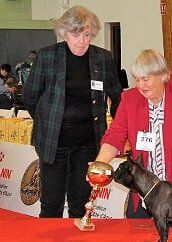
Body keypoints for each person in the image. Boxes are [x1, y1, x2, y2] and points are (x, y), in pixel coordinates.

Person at [23, 6, 122, 218]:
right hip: (53, 143)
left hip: (88, 142)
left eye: (86, 35)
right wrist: (47, 122)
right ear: (64, 33)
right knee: (51, 202)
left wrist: (119, 131)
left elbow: (118, 97)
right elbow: (30, 96)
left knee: (81, 200)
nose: (81, 41)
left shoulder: (103, 58)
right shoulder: (47, 56)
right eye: (75, 34)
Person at [93, 49, 172, 224]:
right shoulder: (129, 99)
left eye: (146, 79)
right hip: (141, 193)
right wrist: (99, 165)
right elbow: (115, 135)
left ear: (163, 75)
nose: (140, 85)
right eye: (137, 79)